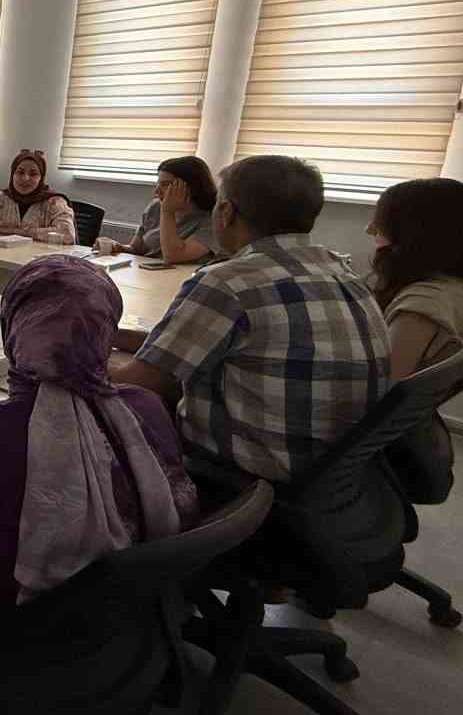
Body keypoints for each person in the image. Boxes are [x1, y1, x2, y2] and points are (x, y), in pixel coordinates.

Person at [0, 256, 197, 622]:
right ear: (106, 333)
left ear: (13, 328)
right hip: (130, 622)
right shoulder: (147, 408)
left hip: (4, 632)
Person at [111, 155, 390, 484]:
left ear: (226, 212)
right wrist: (110, 333)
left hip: (240, 473)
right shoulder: (344, 273)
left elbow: (141, 381)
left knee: (90, 393)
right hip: (334, 474)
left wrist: (71, 350)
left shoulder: (228, 281)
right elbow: (172, 350)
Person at [367, 178, 463, 380]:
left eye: (383, 223)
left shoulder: (422, 307)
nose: (369, 229)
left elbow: (375, 385)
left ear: (414, 234)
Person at [98, 155, 217, 263]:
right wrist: (117, 246)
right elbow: (136, 249)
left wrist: (167, 212)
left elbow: (173, 256)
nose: (157, 191)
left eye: (165, 184)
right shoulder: (155, 207)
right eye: (158, 184)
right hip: (146, 275)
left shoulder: (213, 220)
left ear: (191, 187)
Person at [0, 149, 77, 243]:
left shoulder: (54, 202)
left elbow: (67, 234)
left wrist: (22, 232)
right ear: (13, 174)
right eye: (20, 172)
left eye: (33, 174)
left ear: (41, 178)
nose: (25, 178)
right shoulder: (1, 197)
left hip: (39, 260)